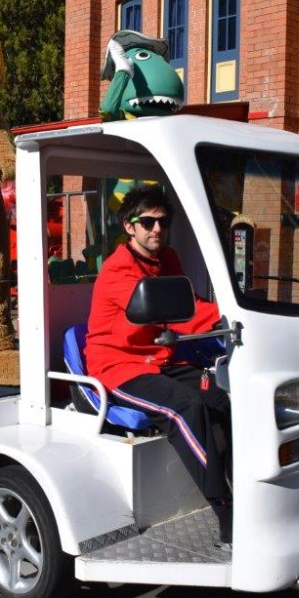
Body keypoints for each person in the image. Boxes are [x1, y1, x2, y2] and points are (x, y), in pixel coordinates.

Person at [85, 184, 232, 544]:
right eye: (147, 221)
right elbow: (176, 311)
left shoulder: (169, 259)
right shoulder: (118, 270)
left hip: (160, 358)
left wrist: (232, 317)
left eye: (162, 222)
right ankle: (225, 507)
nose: (156, 229)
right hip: (118, 367)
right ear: (129, 225)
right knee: (186, 407)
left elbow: (190, 301)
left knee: (225, 398)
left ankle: (248, 485)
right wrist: (221, 318)